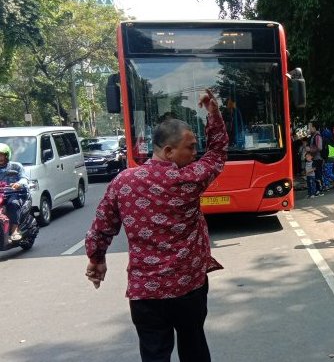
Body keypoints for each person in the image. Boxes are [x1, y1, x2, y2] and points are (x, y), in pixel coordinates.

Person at [84, 89, 228, 362]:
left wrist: (96, 258)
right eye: (191, 147)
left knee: (154, 355)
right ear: (169, 151)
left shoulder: (123, 181)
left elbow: (102, 225)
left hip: (145, 292)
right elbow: (218, 154)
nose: (195, 153)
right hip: (189, 289)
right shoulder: (189, 179)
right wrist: (213, 114)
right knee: (194, 348)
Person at [0, 143, 28, 241]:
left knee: (12, 204)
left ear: (7, 155)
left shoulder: (16, 167)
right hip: (1, 196)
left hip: (15, 194)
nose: (0, 157)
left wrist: (18, 184)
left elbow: (24, 179)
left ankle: (14, 230)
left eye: (1, 155)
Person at [308, 122, 324, 196]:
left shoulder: (317, 136)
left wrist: (310, 150)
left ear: (314, 128)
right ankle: (318, 189)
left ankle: (320, 190)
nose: (309, 129)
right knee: (316, 174)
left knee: (318, 174)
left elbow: (320, 147)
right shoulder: (313, 136)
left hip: (318, 158)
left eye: (310, 127)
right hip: (315, 158)